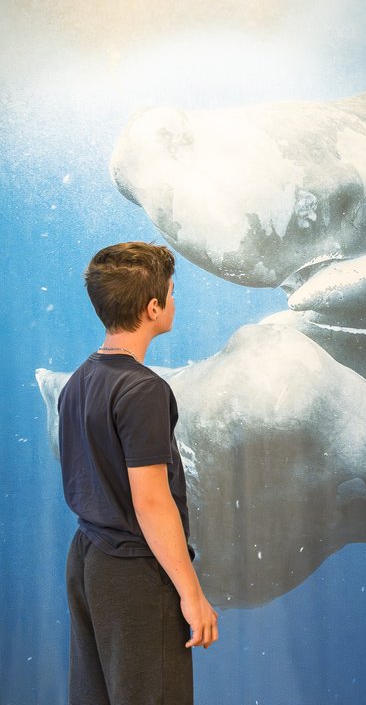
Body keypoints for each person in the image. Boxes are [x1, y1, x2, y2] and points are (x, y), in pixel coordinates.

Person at [58, 242, 218, 705]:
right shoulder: (143, 389)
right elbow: (150, 501)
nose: (174, 300)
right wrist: (192, 594)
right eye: (171, 292)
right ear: (153, 307)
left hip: (88, 560)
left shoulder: (78, 382)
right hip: (132, 574)